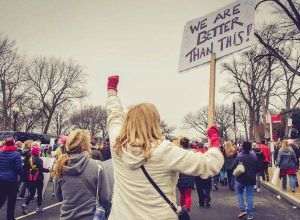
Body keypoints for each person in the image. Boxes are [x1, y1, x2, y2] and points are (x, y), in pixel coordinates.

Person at [105, 75, 224, 220]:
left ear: (128, 121)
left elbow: (114, 115)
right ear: (155, 122)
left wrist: (112, 92)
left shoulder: (117, 145)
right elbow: (209, 165)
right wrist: (214, 140)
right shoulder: (164, 151)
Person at [54, 129, 114, 220]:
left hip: (65, 217)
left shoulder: (60, 166)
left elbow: (59, 197)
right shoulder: (97, 166)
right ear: (86, 145)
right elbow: (106, 199)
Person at [22, 142, 49, 214]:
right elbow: (41, 169)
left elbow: (25, 168)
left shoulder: (28, 159)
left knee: (31, 193)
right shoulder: (39, 160)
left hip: (30, 178)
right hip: (38, 179)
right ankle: (38, 208)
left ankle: (25, 204)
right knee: (40, 193)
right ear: (38, 152)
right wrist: (49, 170)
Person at [233, 141, 257, 220]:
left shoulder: (239, 156)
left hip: (240, 178)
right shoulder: (254, 156)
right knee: (249, 195)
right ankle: (250, 214)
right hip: (251, 178)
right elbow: (257, 167)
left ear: (242, 147)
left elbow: (234, 166)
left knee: (239, 193)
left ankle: (242, 209)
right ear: (250, 147)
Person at [0, 137, 23, 220]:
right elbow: (19, 168)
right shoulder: (16, 154)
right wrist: (23, 175)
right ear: (13, 144)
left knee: (1, 199)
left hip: (1, 180)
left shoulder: (0, 153)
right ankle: (10, 218)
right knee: (11, 201)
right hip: (11, 181)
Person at [177, 137, 194, 212]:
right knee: (188, 194)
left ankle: (181, 207)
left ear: (181, 144)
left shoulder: (178, 153)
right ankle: (187, 207)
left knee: (182, 194)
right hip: (189, 175)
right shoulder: (192, 153)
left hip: (180, 175)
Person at [193, 142, 213, 208]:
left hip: (198, 174)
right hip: (207, 173)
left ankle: (201, 202)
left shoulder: (195, 155)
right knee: (207, 187)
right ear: (203, 147)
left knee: (199, 188)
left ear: (198, 147)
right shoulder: (208, 154)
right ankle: (207, 199)